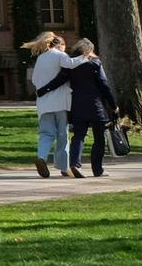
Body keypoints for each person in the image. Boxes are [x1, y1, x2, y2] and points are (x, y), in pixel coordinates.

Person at [38, 38, 120, 177]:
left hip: (77, 105)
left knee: (79, 136)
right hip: (96, 105)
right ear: (90, 51)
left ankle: (75, 164)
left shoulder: (71, 65)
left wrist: (43, 90)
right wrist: (113, 106)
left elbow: (59, 80)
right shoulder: (95, 64)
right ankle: (97, 169)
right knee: (99, 138)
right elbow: (104, 86)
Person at [23, 32, 86, 177]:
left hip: (43, 104)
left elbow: (34, 80)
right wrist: (86, 56)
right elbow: (70, 64)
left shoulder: (41, 58)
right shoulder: (60, 55)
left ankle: (41, 157)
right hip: (60, 103)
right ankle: (64, 167)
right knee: (62, 135)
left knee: (46, 134)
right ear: (57, 44)